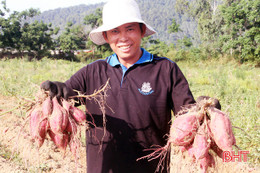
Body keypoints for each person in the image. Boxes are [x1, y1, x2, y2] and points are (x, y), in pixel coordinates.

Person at [41, 0, 195, 172]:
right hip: (103, 168)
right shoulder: (92, 72)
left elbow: (188, 115)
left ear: (142, 31)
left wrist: (206, 112)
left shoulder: (165, 69)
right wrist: (56, 90)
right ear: (106, 37)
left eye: (130, 29)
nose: (123, 38)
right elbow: (66, 95)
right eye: (115, 31)